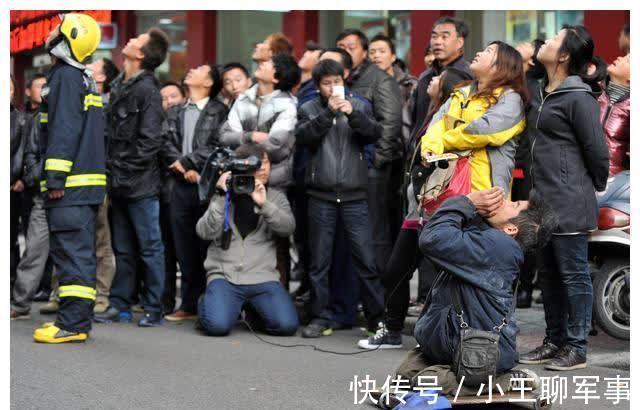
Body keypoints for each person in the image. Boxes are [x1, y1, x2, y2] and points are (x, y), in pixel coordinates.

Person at [357, 67, 473, 348]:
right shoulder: (429, 115)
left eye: (437, 78)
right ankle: (393, 330)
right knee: (396, 270)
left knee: (440, 278)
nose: (430, 80)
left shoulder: (450, 121)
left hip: (441, 208)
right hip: (416, 207)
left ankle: (437, 337)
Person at [518, 26, 610, 371]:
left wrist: (588, 185)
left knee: (573, 274)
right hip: (541, 199)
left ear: (565, 55)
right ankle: (554, 340)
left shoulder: (578, 97)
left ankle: (576, 347)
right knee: (549, 275)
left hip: (570, 198)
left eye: (554, 39)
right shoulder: (542, 93)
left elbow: (596, 150)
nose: (546, 42)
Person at [409, 189, 557, 387]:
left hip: (479, 351)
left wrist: (468, 202)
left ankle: (507, 382)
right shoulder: (490, 237)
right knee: (407, 372)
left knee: (424, 381)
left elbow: (433, 239)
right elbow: (440, 237)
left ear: (511, 229)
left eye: (513, 204)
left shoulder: (499, 246)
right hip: (462, 344)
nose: (504, 200)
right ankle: (482, 379)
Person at [295, 59, 386, 338]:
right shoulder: (308, 108)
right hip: (320, 195)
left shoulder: (359, 104)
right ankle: (321, 316)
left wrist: (352, 115)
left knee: (366, 259)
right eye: (327, 83)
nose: (334, 88)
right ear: (318, 86)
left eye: (338, 81)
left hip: (355, 195)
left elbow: (374, 133)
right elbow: (303, 138)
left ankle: (377, 318)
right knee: (318, 262)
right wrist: (328, 115)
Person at [31, 13, 106, 343]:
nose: (49, 33)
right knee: (80, 254)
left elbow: (64, 131)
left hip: (70, 188)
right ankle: (76, 321)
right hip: (86, 186)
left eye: (56, 30)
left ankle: (72, 325)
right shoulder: (84, 78)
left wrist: (56, 179)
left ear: (67, 40)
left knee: (72, 255)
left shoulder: (63, 77)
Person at [95, 28, 170, 327]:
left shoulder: (148, 90)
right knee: (123, 248)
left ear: (141, 54)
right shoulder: (120, 85)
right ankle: (119, 304)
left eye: (137, 40)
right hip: (119, 182)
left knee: (150, 247)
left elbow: (150, 142)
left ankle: (154, 307)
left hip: (140, 185)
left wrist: (120, 169)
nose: (130, 40)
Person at [195, 144, 298, 337]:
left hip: (263, 277)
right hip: (225, 277)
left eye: (267, 163)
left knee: (286, 325)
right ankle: (209, 302)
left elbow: (288, 228)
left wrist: (264, 204)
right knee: (217, 326)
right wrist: (219, 196)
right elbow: (204, 232)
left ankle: (252, 310)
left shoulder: (275, 196)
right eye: (260, 165)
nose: (265, 169)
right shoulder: (224, 194)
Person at [219, 54, 300, 288]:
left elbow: (277, 145)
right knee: (241, 232)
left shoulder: (287, 105)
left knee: (276, 241)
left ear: (276, 76)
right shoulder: (243, 99)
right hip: (240, 178)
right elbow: (224, 137)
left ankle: (279, 295)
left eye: (268, 64)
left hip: (274, 180)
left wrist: (241, 145)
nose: (262, 64)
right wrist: (251, 136)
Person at [162, 64, 229, 321]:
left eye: (199, 69)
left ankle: (209, 303)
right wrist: (183, 167)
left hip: (208, 184)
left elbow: (218, 144)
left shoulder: (219, 110)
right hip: (179, 185)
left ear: (209, 82)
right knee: (183, 247)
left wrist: (188, 162)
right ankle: (188, 303)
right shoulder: (176, 110)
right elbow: (164, 141)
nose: (191, 70)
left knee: (207, 246)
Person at [337, 28, 403, 281]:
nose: (345, 50)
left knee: (375, 231)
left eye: (351, 46)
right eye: (341, 45)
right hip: (348, 169)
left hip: (373, 169)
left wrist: (376, 161)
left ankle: (381, 293)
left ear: (364, 52)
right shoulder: (342, 80)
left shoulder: (378, 79)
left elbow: (390, 124)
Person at [513, 38, 546, 309]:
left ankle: (525, 285)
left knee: (527, 226)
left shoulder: (536, 89)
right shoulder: (515, 83)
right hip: (514, 166)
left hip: (528, 169)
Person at [410, 17, 472, 145]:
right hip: (419, 150)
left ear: (460, 42)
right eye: (434, 37)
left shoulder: (467, 77)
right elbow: (416, 119)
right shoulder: (425, 77)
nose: (437, 42)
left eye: (444, 37)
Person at [158, 81, 185, 314]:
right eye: (164, 98)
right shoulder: (157, 123)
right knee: (165, 250)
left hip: (189, 190)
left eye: (173, 96)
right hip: (164, 191)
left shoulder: (189, 118)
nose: (169, 102)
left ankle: (190, 302)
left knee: (187, 250)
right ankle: (164, 300)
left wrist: (187, 165)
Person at [369, 34, 418, 154]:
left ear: (393, 57)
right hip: (376, 150)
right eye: (372, 52)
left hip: (404, 150)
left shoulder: (410, 84)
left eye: (382, 51)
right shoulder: (365, 85)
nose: (376, 55)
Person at [10, 76, 31, 297]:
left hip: (12, 185)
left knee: (10, 237)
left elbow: (24, 152)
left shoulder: (22, 120)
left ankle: (10, 281)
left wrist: (21, 178)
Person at [598, 54, 630, 176]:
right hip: (581, 178)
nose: (619, 58)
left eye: (627, 60)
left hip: (613, 182)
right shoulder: (594, 91)